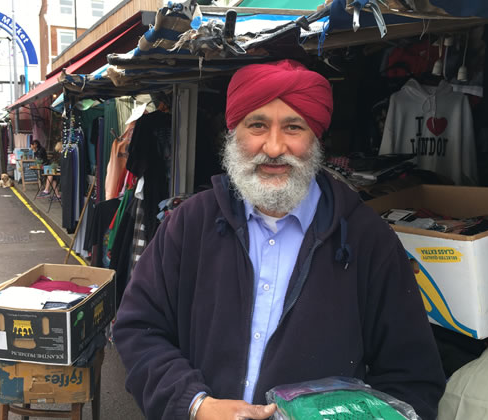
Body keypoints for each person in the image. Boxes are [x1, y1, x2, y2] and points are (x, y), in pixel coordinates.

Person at [113, 59, 446, 420]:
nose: (273, 148)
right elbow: (138, 329)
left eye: (293, 127)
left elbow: (412, 379)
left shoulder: (368, 240)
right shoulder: (190, 224)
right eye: (257, 125)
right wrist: (196, 406)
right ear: (233, 135)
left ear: (315, 138)